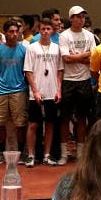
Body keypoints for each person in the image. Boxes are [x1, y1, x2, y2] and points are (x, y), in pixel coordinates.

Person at [24, 18, 64, 167]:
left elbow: (60, 71)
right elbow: (28, 71)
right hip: (37, 93)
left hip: (52, 92)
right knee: (33, 125)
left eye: (48, 29)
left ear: (52, 31)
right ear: (39, 30)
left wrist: (59, 90)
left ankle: (47, 154)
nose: (46, 31)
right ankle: (31, 155)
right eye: (43, 29)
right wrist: (35, 91)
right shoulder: (32, 48)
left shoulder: (57, 48)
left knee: (50, 124)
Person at [59, 6, 96, 158]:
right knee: (65, 118)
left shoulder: (89, 35)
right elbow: (66, 58)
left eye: (82, 16)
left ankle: (81, 152)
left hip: (84, 80)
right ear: (71, 18)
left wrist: (77, 57)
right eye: (77, 16)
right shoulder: (64, 36)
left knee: (82, 117)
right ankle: (63, 152)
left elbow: (93, 57)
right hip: (68, 81)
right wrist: (84, 56)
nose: (81, 19)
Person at [0, 19, 28, 164]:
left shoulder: (24, 50)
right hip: (1, 91)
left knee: (20, 123)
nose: (13, 34)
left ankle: (22, 152)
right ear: (5, 33)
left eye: (16, 32)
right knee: (0, 124)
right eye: (11, 31)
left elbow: (26, 70)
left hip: (19, 90)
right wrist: (1, 82)